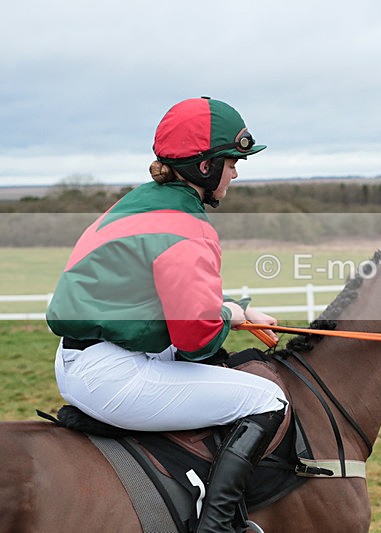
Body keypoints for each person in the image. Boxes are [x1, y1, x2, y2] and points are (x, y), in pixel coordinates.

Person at [46, 97, 286, 533]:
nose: (236, 172)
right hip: (114, 374)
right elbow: (196, 339)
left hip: (79, 360)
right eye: (231, 161)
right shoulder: (188, 228)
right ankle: (216, 528)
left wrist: (236, 311)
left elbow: (169, 296)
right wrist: (227, 318)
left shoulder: (139, 203)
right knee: (267, 399)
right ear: (205, 167)